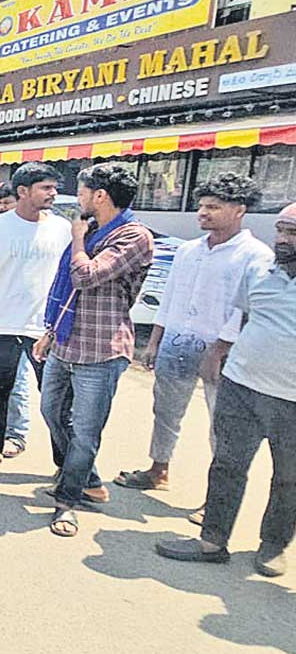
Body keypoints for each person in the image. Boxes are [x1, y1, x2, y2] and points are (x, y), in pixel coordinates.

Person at [115, 174, 273, 521]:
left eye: (213, 207)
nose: (203, 213)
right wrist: (154, 342)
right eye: (201, 206)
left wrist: (219, 348)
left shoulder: (256, 256)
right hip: (176, 340)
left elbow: (245, 309)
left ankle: (214, 499)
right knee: (166, 411)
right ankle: (158, 470)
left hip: (225, 352)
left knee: (223, 426)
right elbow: (170, 298)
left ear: (239, 211)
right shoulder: (189, 250)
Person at [155, 204, 296, 577]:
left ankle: (273, 547)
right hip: (241, 386)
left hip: (292, 401)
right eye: (281, 231)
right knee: (228, 465)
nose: (282, 240)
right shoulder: (260, 271)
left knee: (289, 478)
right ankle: (212, 541)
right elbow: (245, 317)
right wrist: (217, 352)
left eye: (291, 234)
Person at [34, 163, 153, 538]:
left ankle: (68, 502)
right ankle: (88, 477)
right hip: (67, 341)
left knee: (85, 432)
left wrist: (78, 238)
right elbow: (68, 292)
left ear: (100, 196)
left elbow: (85, 276)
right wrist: (50, 332)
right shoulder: (94, 229)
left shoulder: (133, 236)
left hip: (101, 350)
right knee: (51, 411)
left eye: (82, 192)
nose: (78, 199)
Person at [0, 162, 72, 472]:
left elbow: (67, 281)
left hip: (46, 330)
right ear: (23, 191)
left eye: (53, 187)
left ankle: (65, 464)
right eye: (45, 188)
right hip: (0, 326)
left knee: (56, 401)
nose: (53, 193)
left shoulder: (62, 229)